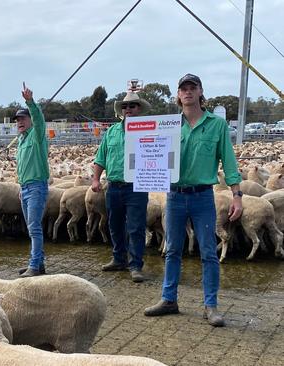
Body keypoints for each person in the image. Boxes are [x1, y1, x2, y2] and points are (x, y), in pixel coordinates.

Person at [144, 74, 243, 327]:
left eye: (192, 88)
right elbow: (146, 150)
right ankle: (169, 299)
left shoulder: (216, 125)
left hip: (202, 197)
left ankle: (211, 305)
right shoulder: (167, 125)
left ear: (200, 92)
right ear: (178, 95)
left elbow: (229, 162)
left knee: (209, 252)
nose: (188, 92)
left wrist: (237, 195)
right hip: (175, 196)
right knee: (173, 249)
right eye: (183, 89)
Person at [92, 87, 151, 283]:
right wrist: (95, 179)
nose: (128, 109)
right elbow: (101, 157)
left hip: (137, 186)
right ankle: (119, 259)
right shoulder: (112, 132)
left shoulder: (148, 129)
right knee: (115, 225)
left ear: (139, 109)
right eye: (125, 106)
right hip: (114, 186)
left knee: (135, 227)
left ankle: (135, 265)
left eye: (132, 106)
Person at [14, 83, 50, 278]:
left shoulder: (36, 136)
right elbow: (22, 166)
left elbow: (39, 120)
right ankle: (38, 263)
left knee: (34, 228)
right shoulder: (21, 141)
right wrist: (21, 185)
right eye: (17, 120)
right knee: (31, 228)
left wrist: (30, 102)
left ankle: (34, 265)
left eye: (22, 118)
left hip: (37, 187)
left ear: (30, 120)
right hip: (25, 188)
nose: (19, 122)